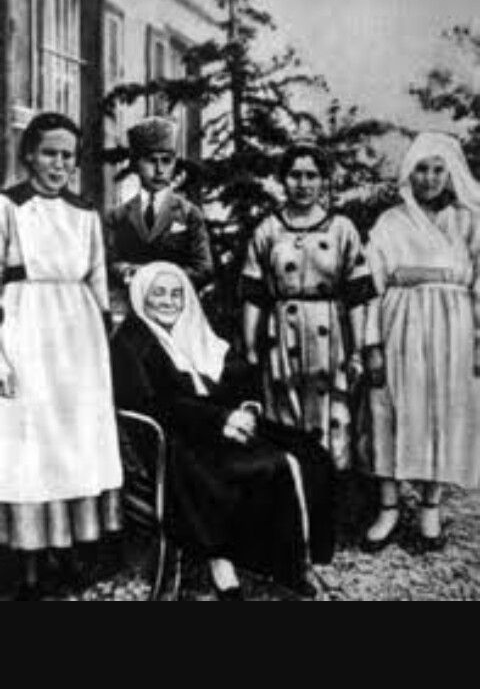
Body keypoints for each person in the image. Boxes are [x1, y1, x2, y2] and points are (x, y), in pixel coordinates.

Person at [111, 262, 336, 600]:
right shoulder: (130, 340)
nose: (169, 302)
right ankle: (222, 560)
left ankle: (286, 561)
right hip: (175, 438)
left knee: (309, 453)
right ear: (142, 296)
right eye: (158, 293)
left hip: (224, 422)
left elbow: (240, 375)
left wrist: (247, 410)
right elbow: (155, 403)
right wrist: (220, 420)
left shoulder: (195, 328)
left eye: (176, 294)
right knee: (263, 466)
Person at [0, 112, 123, 600]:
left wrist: (102, 344)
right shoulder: (7, 206)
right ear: (29, 154)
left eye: (67, 156)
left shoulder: (85, 213)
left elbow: (97, 280)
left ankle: (70, 552)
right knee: (30, 446)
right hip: (25, 330)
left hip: (78, 338)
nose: (58, 164)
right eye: (49, 153)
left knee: (76, 441)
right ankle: (27, 562)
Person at [362, 132, 480, 551]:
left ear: (450, 174)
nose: (429, 178)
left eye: (437, 170)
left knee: (442, 411)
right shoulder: (390, 222)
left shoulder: (468, 220)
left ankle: (431, 506)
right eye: (421, 169)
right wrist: (372, 344)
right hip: (400, 322)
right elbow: (371, 286)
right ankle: (389, 507)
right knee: (389, 408)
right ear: (409, 173)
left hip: (454, 328)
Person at [242, 138, 374, 472]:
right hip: (281, 333)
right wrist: (251, 348)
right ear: (283, 180)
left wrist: (357, 350)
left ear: (323, 180)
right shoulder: (268, 229)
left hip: (329, 333)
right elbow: (253, 293)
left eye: (311, 175)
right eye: (295, 175)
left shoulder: (341, 229)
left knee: (333, 415)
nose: (303, 184)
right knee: (284, 410)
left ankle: (332, 488)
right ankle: (291, 490)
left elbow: (358, 294)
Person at [106, 116, 214, 304]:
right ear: (135, 164)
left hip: (176, 307)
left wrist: (159, 277)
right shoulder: (118, 216)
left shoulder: (189, 214)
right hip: (132, 307)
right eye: (151, 161)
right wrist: (125, 271)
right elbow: (107, 263)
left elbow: (204, 268)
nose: (159, 170)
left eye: (166, 161)